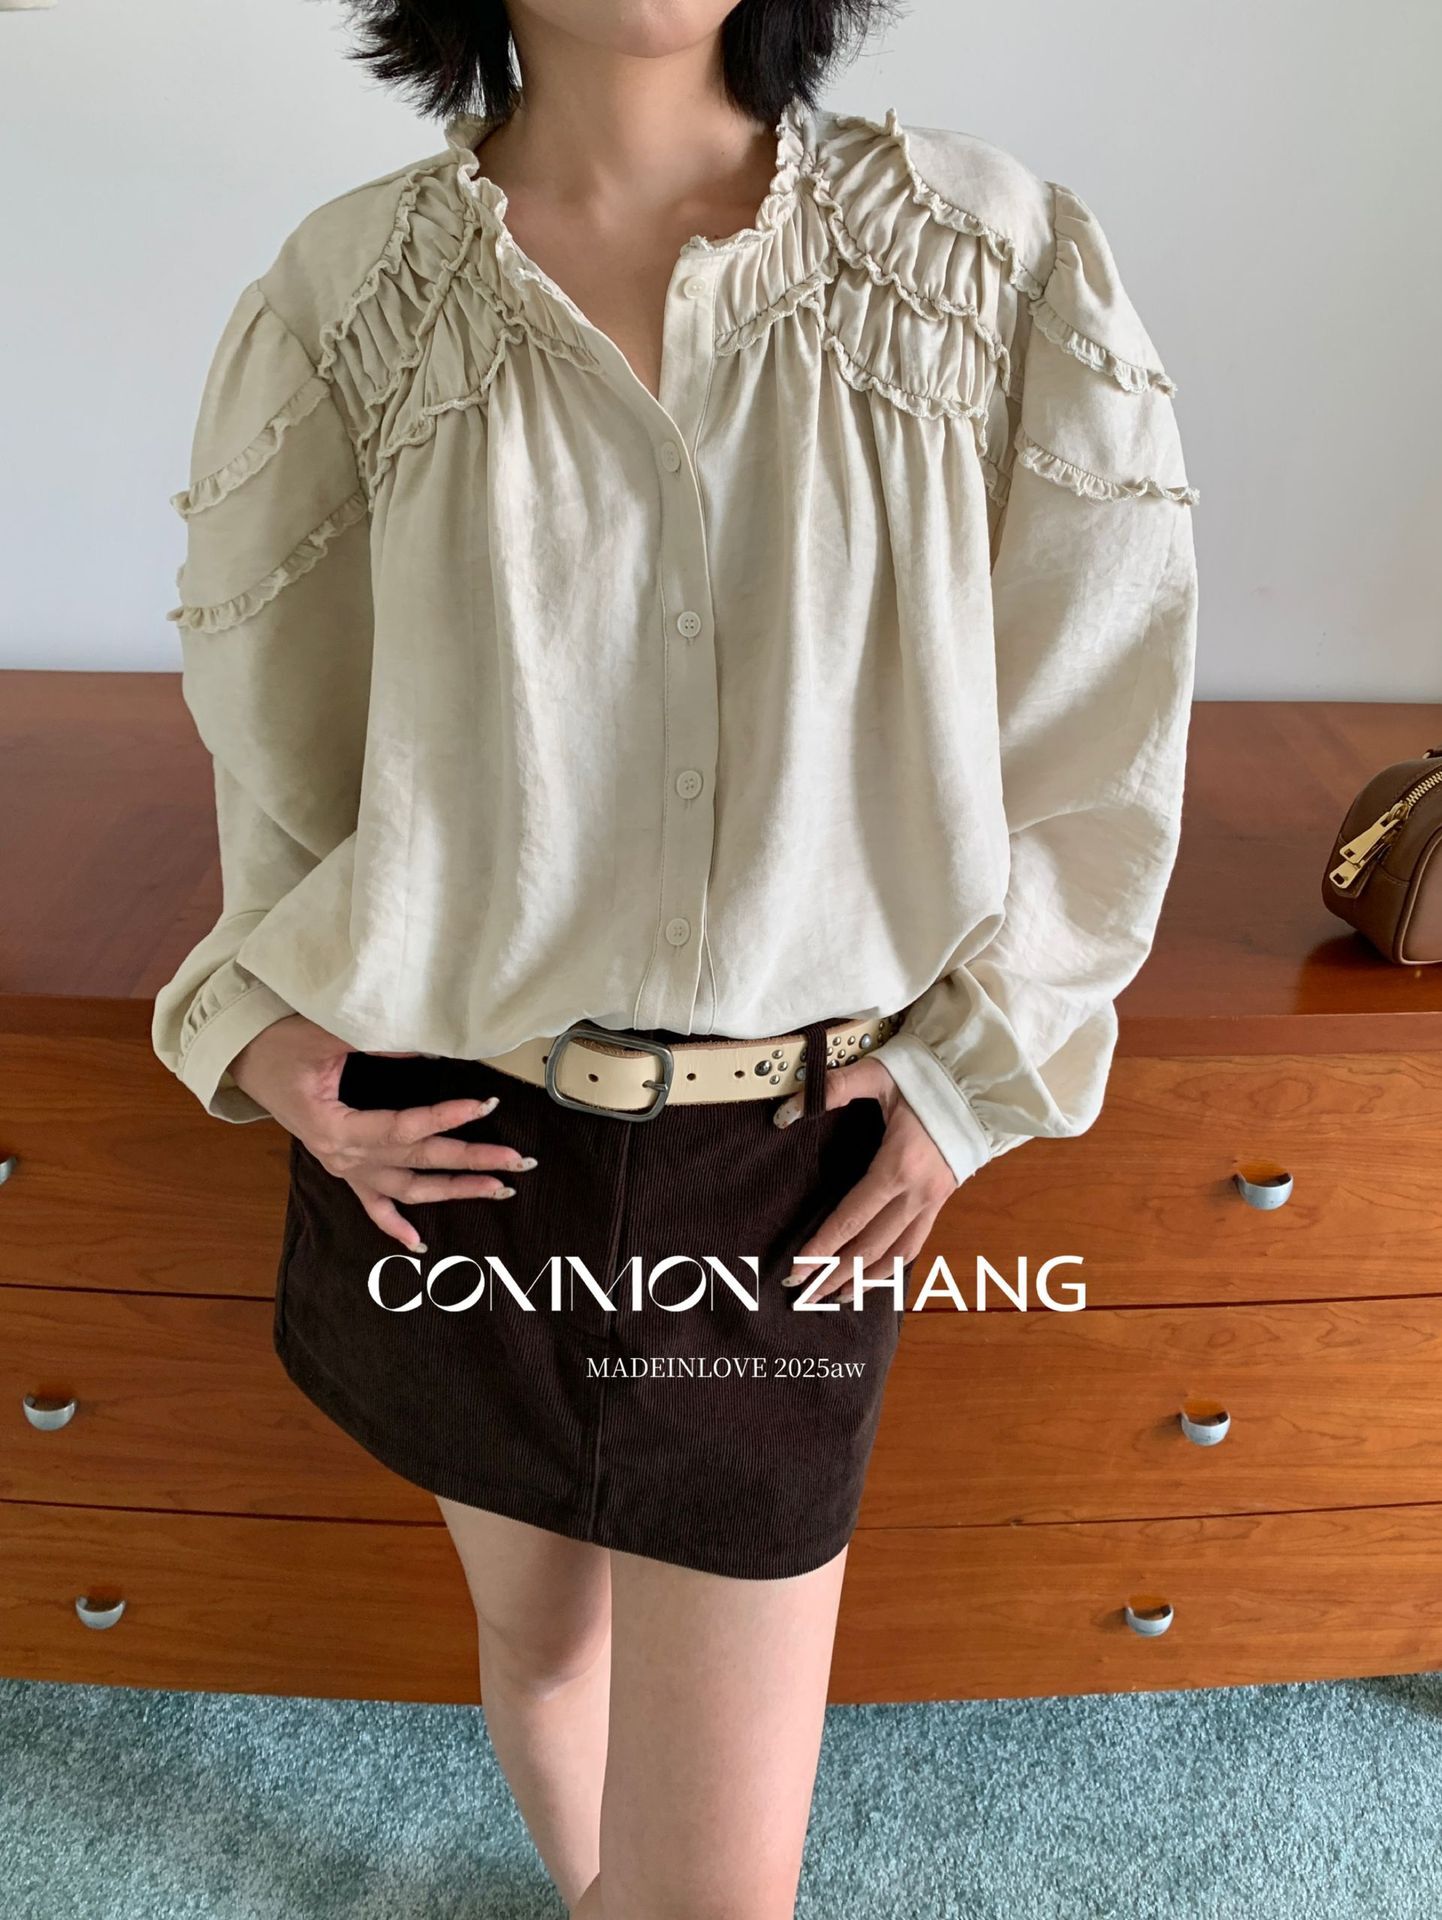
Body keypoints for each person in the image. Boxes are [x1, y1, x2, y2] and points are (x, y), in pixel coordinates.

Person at [151, 2, 1199, 1913]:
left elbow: (1095, 706)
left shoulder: (983, 260)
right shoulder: (350, 297)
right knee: (545, 1640)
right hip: (453, 1141)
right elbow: (285, 741)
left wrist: (979, 1070)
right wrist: (257, 1024)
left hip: (778, 1167)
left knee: (720, 1885)